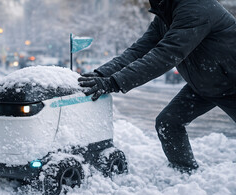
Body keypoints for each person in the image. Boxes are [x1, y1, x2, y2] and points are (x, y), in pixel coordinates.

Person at [78, 0, 236, 173]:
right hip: (203, 85)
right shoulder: (166, 15)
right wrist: (101, 74)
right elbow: (139, 50)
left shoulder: (197, 8)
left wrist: (114, 82)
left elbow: (166, 54)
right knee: (168, 123)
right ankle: (184, 172)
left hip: (231, 83)